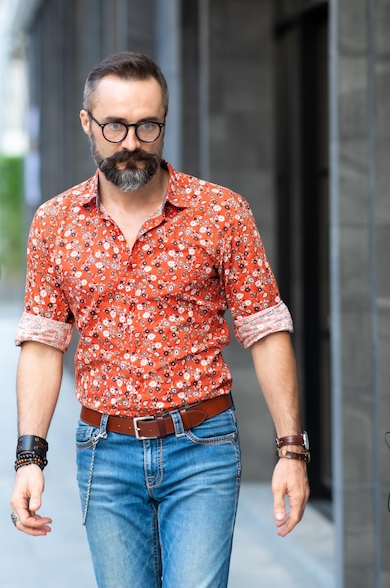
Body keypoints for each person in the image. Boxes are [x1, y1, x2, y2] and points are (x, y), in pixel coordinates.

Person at [10, 51, 310, 588]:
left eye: (147, 126)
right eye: (115, 126)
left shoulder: (222, 213)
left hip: (203, 449)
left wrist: (292, 450)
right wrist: (29, 457)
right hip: (105, 454)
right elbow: (43, 344)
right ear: (87, 123)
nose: (131, 142)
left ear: (164, 122)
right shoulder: (54, 223)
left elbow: (266, 331)